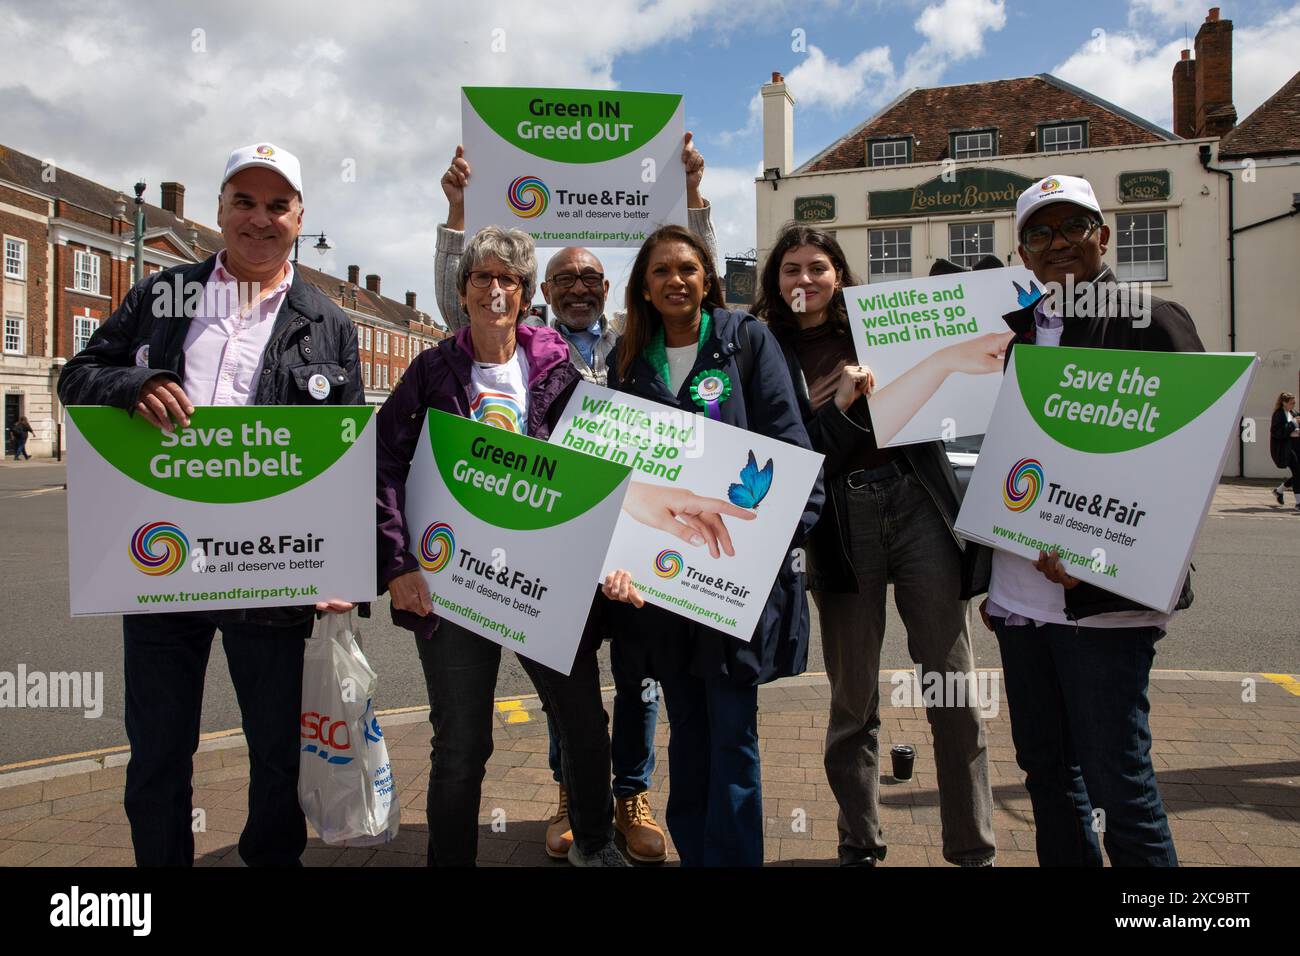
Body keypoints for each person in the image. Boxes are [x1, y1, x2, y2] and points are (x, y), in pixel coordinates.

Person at [57, 142, 363, 866]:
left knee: (278, 761)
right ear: (219, 210)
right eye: (244, 202)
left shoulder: (329, 323)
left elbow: (346, 457)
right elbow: (78, 374)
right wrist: (130, 387)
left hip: (270, 574)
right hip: (162, 566)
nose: (260, 219)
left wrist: (343, 568)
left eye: (277, 205)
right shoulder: (161, 297)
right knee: (158, 754)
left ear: (300, 217)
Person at [426, 135, 717, 863]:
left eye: (591, 278)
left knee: (638, 679)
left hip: (632, 538)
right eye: (565, 281)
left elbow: (705, 293)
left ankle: (629, 793)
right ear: (542, 293)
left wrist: (695, 201)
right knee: (571, 682)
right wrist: (458, 211)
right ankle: (572, 795)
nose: (580, 288)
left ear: (607, 289)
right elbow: (458, 296)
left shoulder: (635, 345)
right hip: (552, 544)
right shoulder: (525, 345)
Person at [377, 225, 630, 867]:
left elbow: (600, 464)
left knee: (581, 721)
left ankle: (597, 846)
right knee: (461, 744)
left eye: (508, 279)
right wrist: (397, 564)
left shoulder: (557, 368)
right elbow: (382, 463)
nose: (495, 289)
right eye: (482, 277)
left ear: (524, 294)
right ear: (462, 291)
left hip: (544, 578)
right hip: (453, 585)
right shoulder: (433, 370)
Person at [978, 174, 1204, 867]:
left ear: (1103, 236)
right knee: (1050, 776)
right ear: (1022, 254)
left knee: (1119, 783)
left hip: (1105, 605)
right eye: (1040, 233)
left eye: (1073, 226)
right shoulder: (1008, 339)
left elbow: (1189, 465)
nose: (1059, 244)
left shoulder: (1153, 319)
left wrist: (1099, 554)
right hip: (1021, 600)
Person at [756, 224, 997, 867]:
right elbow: (790, 455)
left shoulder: (877, 326)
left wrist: (980, 292)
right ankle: (860, 842)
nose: (804, 279)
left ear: (839, 275)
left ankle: (973, 849)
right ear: (775, 283)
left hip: (915, 501)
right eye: (790, 270)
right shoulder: (761, 349)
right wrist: (837, 408)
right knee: (852, 699)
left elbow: (956, 331)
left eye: (818, 267)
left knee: (953, 688)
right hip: (839, 522)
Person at [601, 223, 824, 866]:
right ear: (643, 287)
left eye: (688, 269)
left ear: (707, 279)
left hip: (731, 584)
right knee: (687, 734)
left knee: (733, 737)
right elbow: (615, 479)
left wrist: (764, 555)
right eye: (662, 271)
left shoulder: (746, 341)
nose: (676, 280)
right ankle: (697, 853)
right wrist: (617, 564)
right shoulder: (625, 362)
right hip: (663, 588)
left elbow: (791, 452)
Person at [1269, 392, 1299, 510]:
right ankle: (1298, 502)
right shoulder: (1278, 415)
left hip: (1297, 446)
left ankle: (1279, 491)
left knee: (1298, 473)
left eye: (1294, 403)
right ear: (1284, 403)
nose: (1293, 405)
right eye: (1291, 403)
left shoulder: (1294, 413)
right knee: (1297, 472)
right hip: (1287, 448)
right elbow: (1277, 433)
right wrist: (1293, 424)